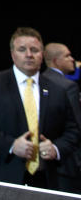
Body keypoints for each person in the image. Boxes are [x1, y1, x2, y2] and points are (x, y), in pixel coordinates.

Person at [0, 27, 80, 189]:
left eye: (34, 50)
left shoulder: (58, 90)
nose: (29, 54)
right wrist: (11, 145)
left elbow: (73, 131)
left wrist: (55, 148)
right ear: (13, 54)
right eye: (22, 49)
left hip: (45, 180)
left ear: (42, 55)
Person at [45, 42, 81, 192]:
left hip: (46, 162)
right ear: (55, 61)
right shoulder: (67, 86)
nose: (72, 59)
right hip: (69, 163)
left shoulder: (40, 81)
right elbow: (77, 126)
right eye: (67, 56)